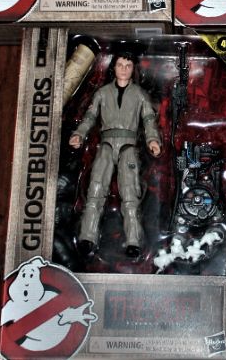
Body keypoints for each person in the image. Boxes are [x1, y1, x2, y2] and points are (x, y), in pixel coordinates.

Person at [69, 51, 161, 259]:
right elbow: (90, 116)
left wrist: (152, 140)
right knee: (95, 190)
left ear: (133, 69)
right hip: (106, 145)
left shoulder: (139, 94)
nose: (124, 69)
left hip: (129, 146)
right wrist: (79, 134)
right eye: (120, 65)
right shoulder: (102, 93)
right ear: (114, 67)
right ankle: (87, 236)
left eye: (128, 66)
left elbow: (148, 119)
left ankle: (133, 241)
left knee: (130, 194)